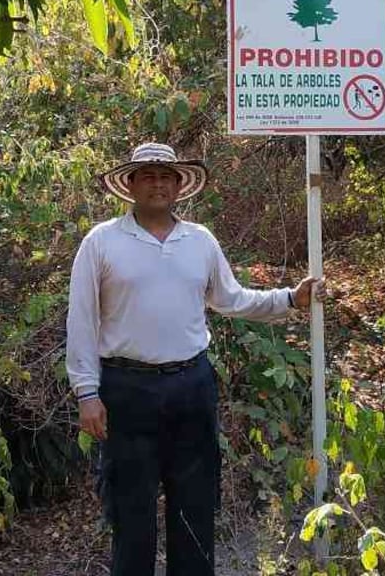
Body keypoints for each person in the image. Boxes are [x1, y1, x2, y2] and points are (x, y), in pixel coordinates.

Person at [66, 142, 322, 576]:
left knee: (196, 505)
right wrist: (87, 392)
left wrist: (289, 300)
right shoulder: (102, 242)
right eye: (148, 175)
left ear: (180, 185)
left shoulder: (199, 240)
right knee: (131, 511)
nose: (158, 183)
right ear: (129, 184)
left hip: (191, 386)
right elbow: (82, 319)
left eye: (167, 176)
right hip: (126, 390)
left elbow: (231, 299)